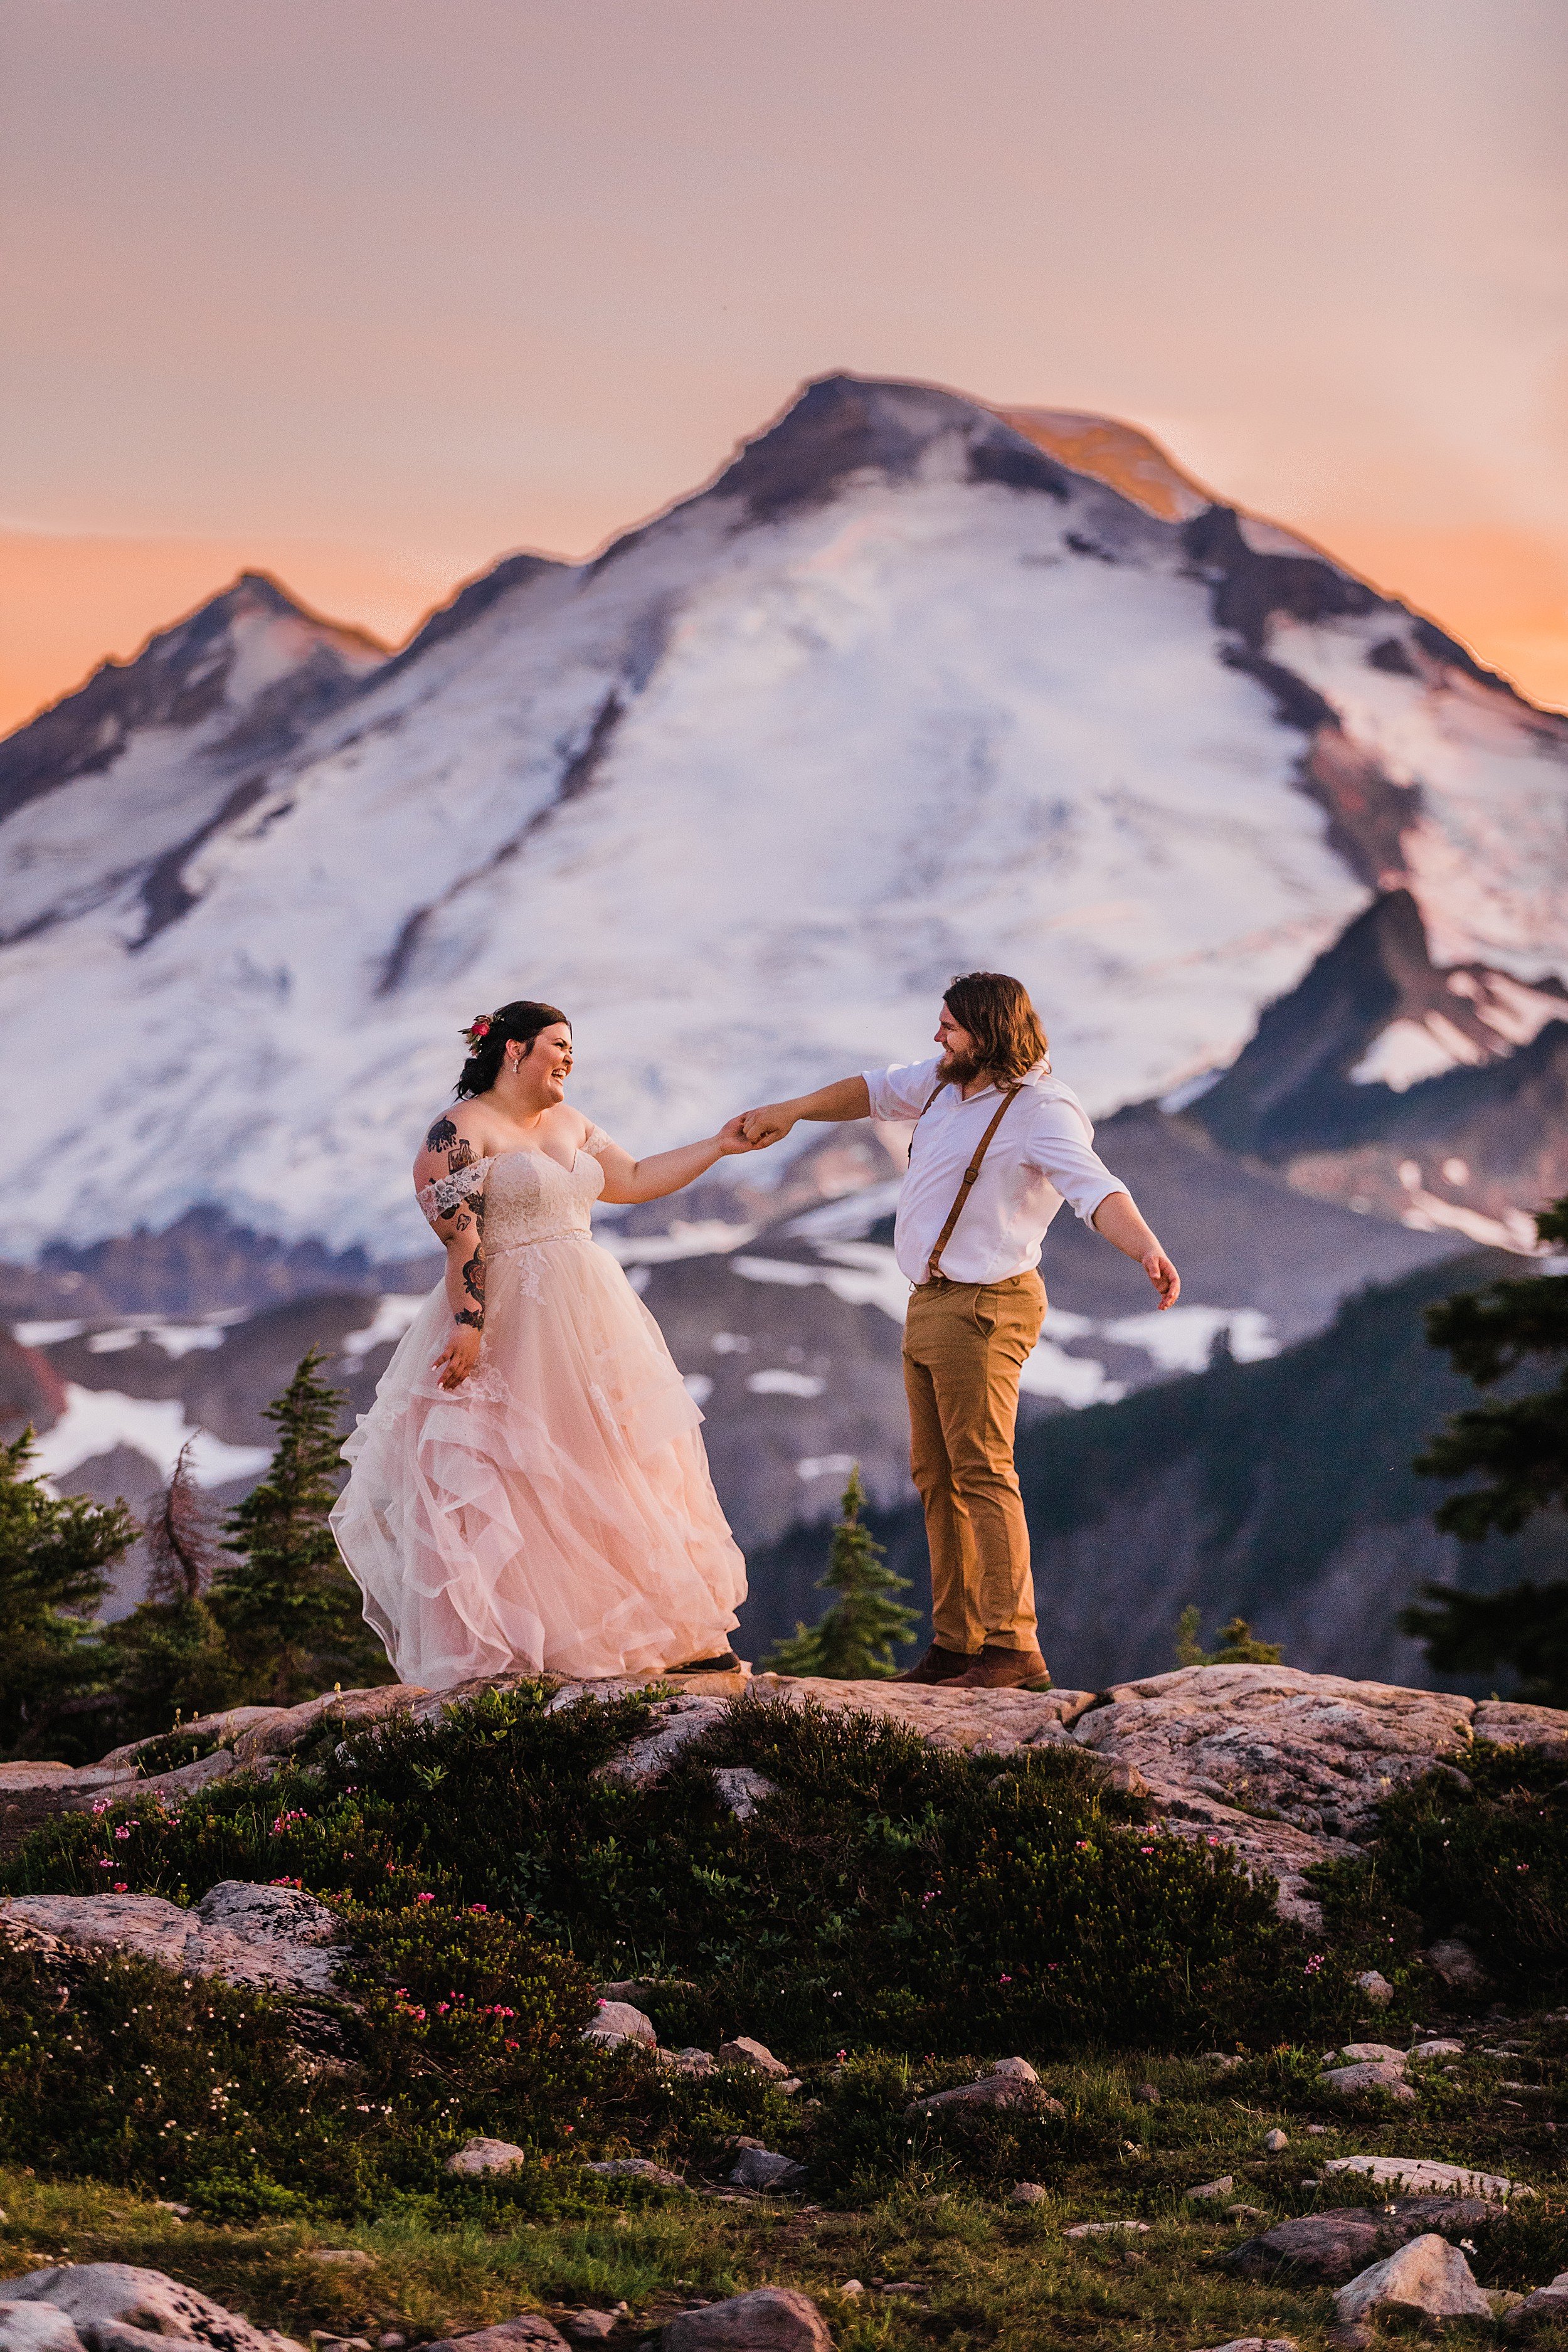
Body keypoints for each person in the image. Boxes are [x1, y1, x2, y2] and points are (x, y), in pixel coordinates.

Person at [739, 972, 1179, 1690]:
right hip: (931, 1303)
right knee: (937, 1477)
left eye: (948, 1025)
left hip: (986, 1306)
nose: (935, 1036)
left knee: (982, 1470)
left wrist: (1146, 1249)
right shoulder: (945, 1082)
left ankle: (1012, 1650)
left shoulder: (1044, 1111)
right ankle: (957, 1645)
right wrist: (791, 1111)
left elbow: (1093, 1188)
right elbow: (872, 1089)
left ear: (990, 1031)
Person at [331, 999, 756, 1688]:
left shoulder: (572, 1121)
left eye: (571, 1049)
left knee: (616, 1459)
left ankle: (667, 1634)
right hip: (512, 1320)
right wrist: (469, 1325)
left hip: (593, 1312)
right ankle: (539, 1644)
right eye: (558, 1045)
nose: (568, 1059)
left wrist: (718, 1145)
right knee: (528, 1469)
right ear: (511, 1050)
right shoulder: (456, 1131)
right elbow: (460, 1237)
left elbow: (636, 1179)